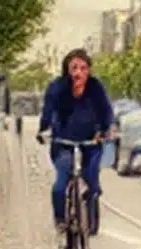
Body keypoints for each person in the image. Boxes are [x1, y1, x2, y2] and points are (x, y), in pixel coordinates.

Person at [37, 48, 113, 236]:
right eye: (74, 68)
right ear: (67, 70)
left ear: (89, 71)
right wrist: (43, 129)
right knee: (60, 185)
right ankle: (61, 220)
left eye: (83, 68)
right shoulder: (57, 87)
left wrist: (105, 131)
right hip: (63, 143)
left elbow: (106, 111)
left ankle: (90, 211)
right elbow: (47, 111)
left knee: (92, 179)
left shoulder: (96, 87)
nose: (78, 73)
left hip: (91, 143)